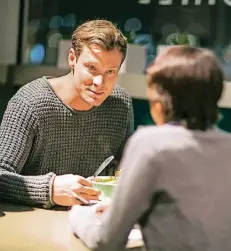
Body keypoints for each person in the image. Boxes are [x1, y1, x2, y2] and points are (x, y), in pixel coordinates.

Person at [69, 46, 231, 251]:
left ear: (160, 102)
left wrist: (79, 216)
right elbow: (199, 221)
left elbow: (106, 242)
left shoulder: (150, 143)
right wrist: (129, 209)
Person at [0, 20, 134, 208]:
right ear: (72, 58)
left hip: (90, 223)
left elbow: (124, 171)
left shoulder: (121, 103)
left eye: (110, 71)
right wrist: (49, 189)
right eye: (91, 68)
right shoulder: (30, 102)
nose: (99, 82)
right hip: (32, 224)